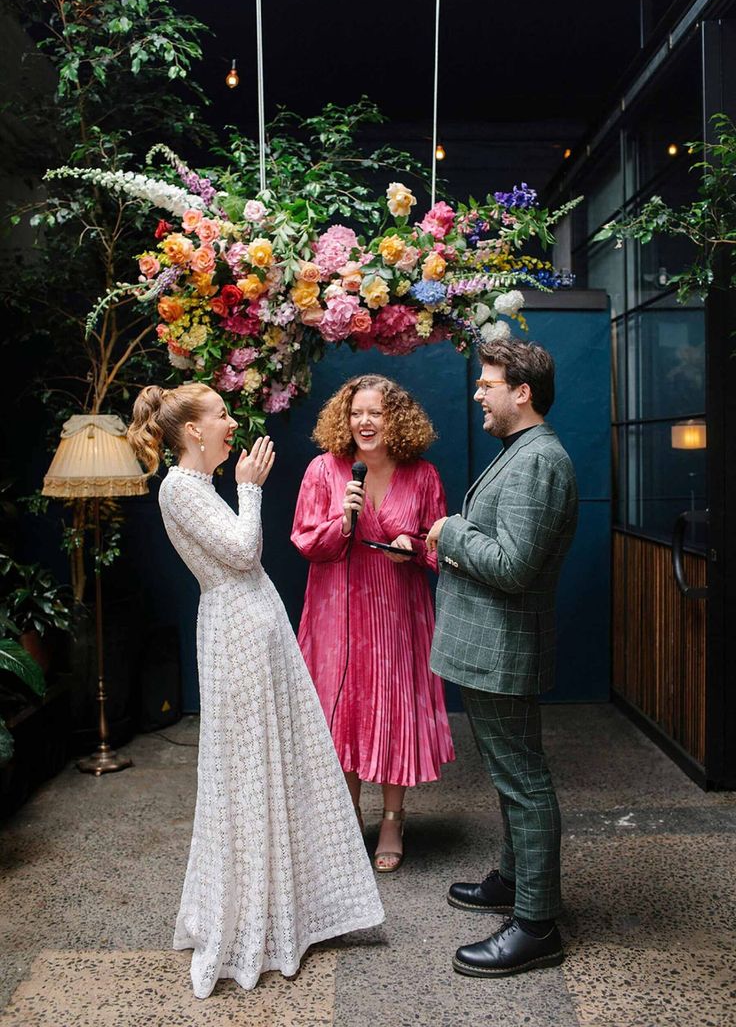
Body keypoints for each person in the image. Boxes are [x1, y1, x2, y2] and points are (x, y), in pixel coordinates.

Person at [127, 382, 384, 999]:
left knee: (273, 765)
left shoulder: (196, 487)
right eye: (219, 414)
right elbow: (244, 552)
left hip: (250, 632)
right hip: (237, 637)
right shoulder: (180, 489)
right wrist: (250, 487)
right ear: (192, 431)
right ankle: (251, 918)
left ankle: (281, 909)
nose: (230, 421)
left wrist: (239, 487)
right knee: (249, 772)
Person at [426, 339, 578, 979]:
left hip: (503, 647)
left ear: (522, 392)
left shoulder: (539, 461)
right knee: (514, 774)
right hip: (491, 647)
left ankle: (536, 925)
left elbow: (514, 567)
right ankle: (516, 883)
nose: (478, 394)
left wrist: (449, 530)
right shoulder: (521, 454)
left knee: (524, 782)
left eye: (488, 384)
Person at [291, 374, 455, 873]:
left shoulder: (422, 475)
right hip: (337, 611)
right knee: (343, 712)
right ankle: (344, 821)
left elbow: (440, 545)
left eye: (376, 413)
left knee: (391, 709)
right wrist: (341, 522)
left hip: (396, 611)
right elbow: (303, 540)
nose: (365, 422)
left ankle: (391, 818)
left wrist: (416, 546)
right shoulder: (324, 470)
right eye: (357, 413)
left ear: (396, 419)